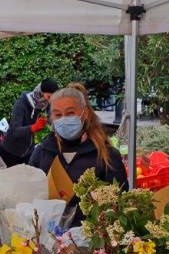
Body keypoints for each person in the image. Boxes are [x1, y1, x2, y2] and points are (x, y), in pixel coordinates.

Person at [29, 85, 128, 228]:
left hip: (91, 243)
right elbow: (29, 194)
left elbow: (120, 204)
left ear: (85, 113)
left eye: (70, 113)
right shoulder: (42, 152)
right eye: (57, 115)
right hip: (46, 240)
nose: (64, 119)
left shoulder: (106, 156)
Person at [0, 79, 59, 167]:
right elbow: (14, 131)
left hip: (27, 152)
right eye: (49, 97)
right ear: (41, 92)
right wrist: (33, 127)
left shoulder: (45, 103)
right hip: (10, 152)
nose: (50, 101)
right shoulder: (21, 103)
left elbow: (52, 118)